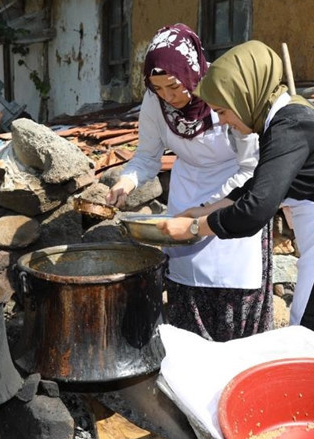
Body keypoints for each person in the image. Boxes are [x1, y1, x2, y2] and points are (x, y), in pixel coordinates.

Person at [158, 40, 314, 379]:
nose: (225, 121)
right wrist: (203, 210)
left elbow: (255, 209)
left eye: (224, 111)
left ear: (245, 96)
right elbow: (264, 183)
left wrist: (192, 229)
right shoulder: (287, 117)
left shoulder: (290, 126)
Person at [106, 24, 273, 342]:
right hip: (187, 192)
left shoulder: (225, 88)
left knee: (234, 296)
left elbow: (251, 167)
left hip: (236, 195)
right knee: (187, 292)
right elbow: (147, 157)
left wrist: (209, 210)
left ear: (191, 71)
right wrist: (125, 183)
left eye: (173, 86)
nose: (168, 97)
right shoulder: (155, 102)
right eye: (158, 89)